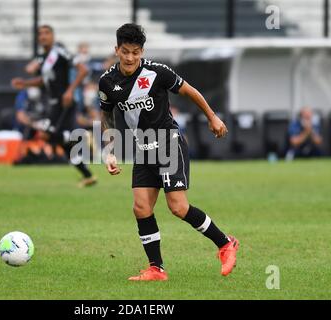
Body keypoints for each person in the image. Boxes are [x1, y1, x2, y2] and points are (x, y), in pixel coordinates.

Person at [99, 23, 239, 281]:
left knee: (178, 207)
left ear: (142, 51)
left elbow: (190, 91)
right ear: (116, 49)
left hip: (168, 143)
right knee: (141, 208)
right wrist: (109, 151)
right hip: (143, 148)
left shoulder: (156, 72)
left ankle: (225, 243)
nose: (130, 57)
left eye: (136, 52)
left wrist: (212, 117)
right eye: (125, 51)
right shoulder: (107, 81)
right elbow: (107, 114)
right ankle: (156, 269)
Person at [11, 25, 97, 187]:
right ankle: (87, 175)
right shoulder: (44, 58)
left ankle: (76, 136)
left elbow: (83, 70)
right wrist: (25, 83)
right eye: (40, 34)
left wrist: (70, 91)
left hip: (64, 102)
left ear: (53, 36)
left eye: (46, 33)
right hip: (54, 103)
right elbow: (44, 81)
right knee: (60, 143)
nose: (43, 36)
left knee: (46, 134)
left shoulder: (60, 51)